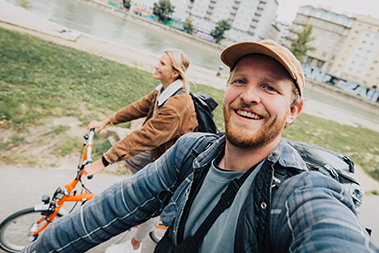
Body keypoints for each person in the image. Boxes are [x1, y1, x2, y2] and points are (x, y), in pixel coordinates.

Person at [22, 40, 378, 253]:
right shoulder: (190, 152)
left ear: (292, 112)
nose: (248, 96)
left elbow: (328, 231)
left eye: (270, 88)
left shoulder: (298, 190)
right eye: (240, 80)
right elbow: (105, 211)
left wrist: (105, 158)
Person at [83, 49, 198, 253]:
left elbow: (144, 136)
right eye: (159, 62)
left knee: (153, 201)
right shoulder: (163, 90)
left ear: (175, 73)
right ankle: (141, 195)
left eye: (163, 64)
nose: (156, 65)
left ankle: (135, 245)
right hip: (161, 152)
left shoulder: (176, 106)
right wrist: (106, 121)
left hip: (176, 163)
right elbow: (138, 107)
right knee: (134, 161)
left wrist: (103, 161)